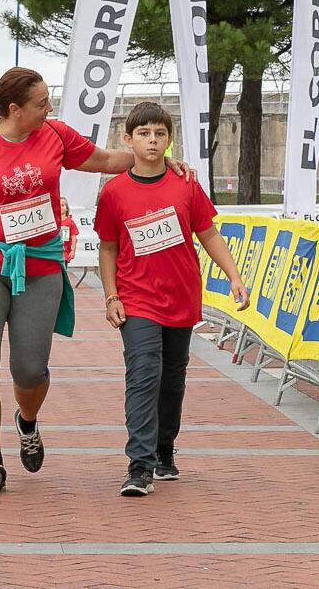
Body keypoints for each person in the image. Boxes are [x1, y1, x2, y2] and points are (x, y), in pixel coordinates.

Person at [0, 67, 187, 496]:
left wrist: (154, 160)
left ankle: (27, 422)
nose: (49, 109)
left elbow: (102, 160)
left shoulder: (55, 136)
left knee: (29, 368)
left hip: (41, 264)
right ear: (15, 109)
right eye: (42, 103)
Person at [96, 103, 248, 497]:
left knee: (172, 380)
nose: (152, 140)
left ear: (170, 139)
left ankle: (164, 449)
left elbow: (209, 234)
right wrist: (111, 294)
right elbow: (108, 248)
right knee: (143, 375)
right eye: (144, 133)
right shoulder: (113, 192)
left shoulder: (186, 185)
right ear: (127, 140)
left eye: (160, 134)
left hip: (181, 298)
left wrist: (234, 276)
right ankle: (139, 465)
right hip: (137, 301)